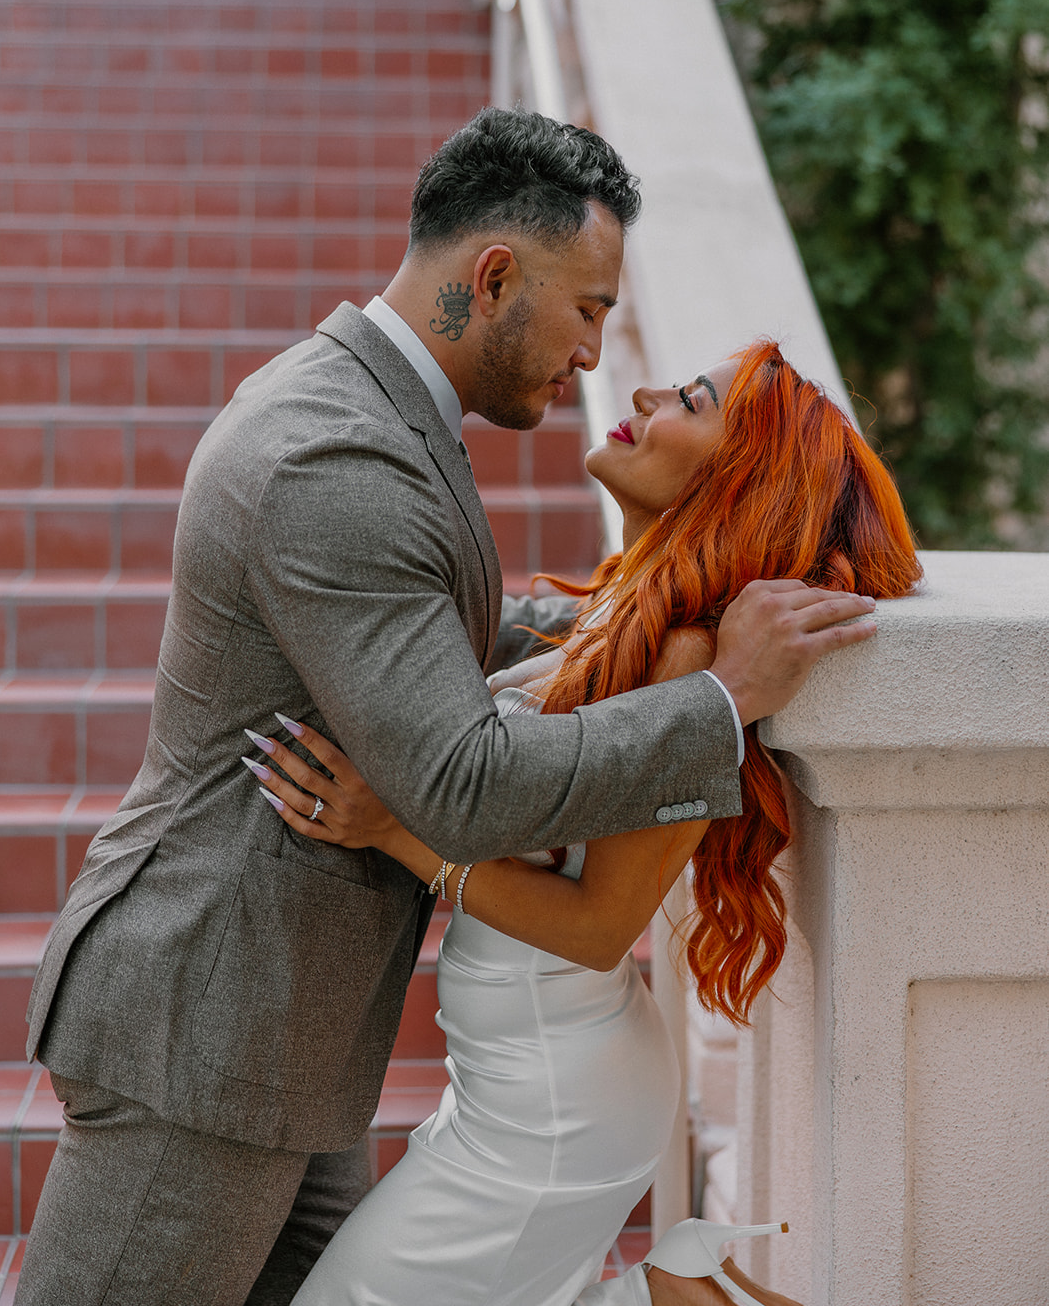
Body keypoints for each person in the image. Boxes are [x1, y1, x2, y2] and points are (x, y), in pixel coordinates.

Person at [16, 110, 877, 1306]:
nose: (593, 356)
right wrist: (720, 700)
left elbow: (438, 628)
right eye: (587, 310)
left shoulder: (379, 415)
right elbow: (463, 783)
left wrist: (649, 610)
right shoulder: (338, 454)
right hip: (209, 1020)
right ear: (492, 276)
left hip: (285, 1025)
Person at [246, 340, 921, 1306]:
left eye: (690, 399)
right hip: (523, 1077)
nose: (642, 390)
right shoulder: (621, 616)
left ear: (734, 479)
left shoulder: (688, 662)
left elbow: (605, 925)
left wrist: (394, 831)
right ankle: (677, 1295)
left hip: (553, 1103)